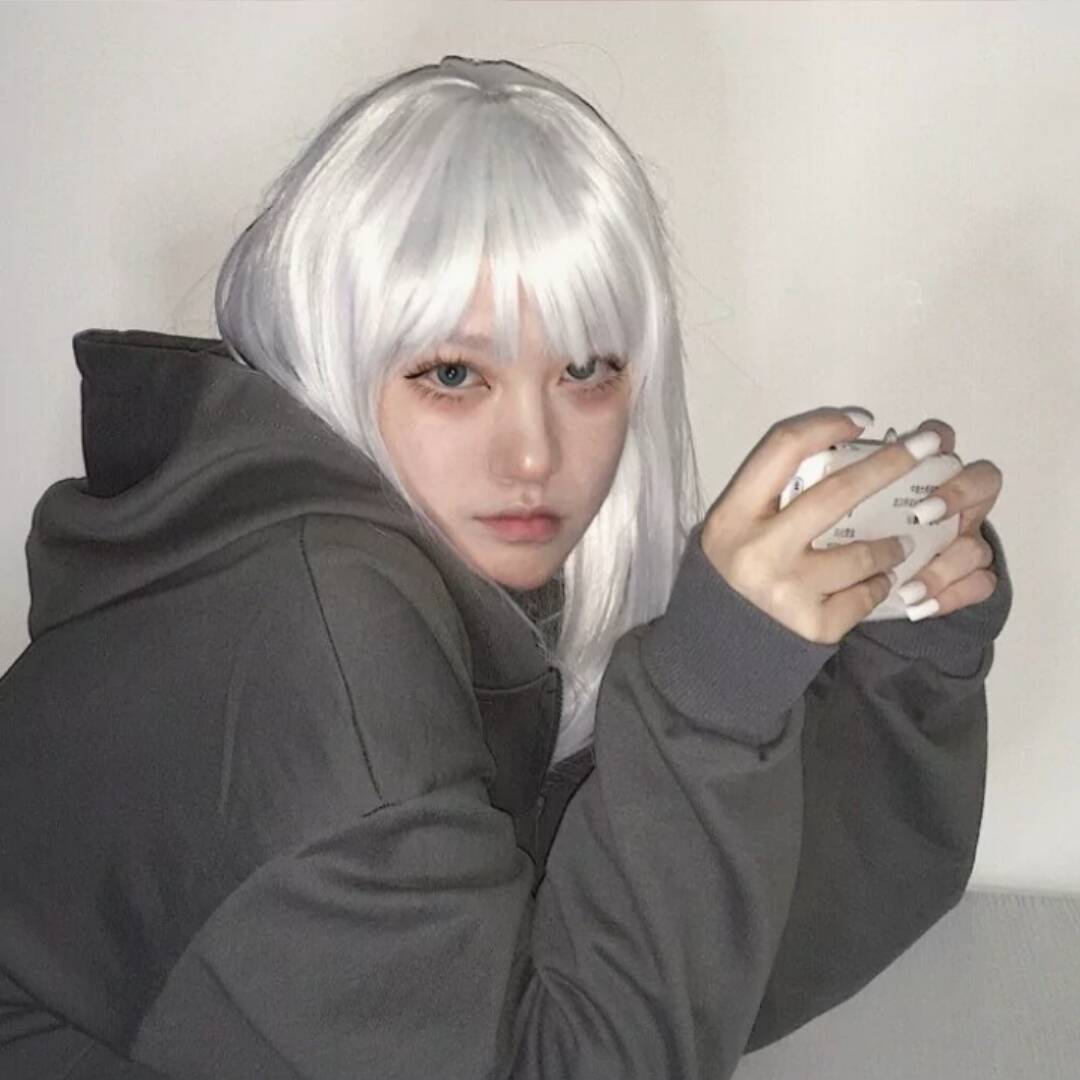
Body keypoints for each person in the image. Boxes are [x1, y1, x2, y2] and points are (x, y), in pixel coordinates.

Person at [0, 55, 1012, 1080]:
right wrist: (708, 702)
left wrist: (894, 650)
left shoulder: (468, 574)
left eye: (586, 370)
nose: (534, 456)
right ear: (326, 349)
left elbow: (708, 971)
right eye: (453, 373)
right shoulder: (317, 632)